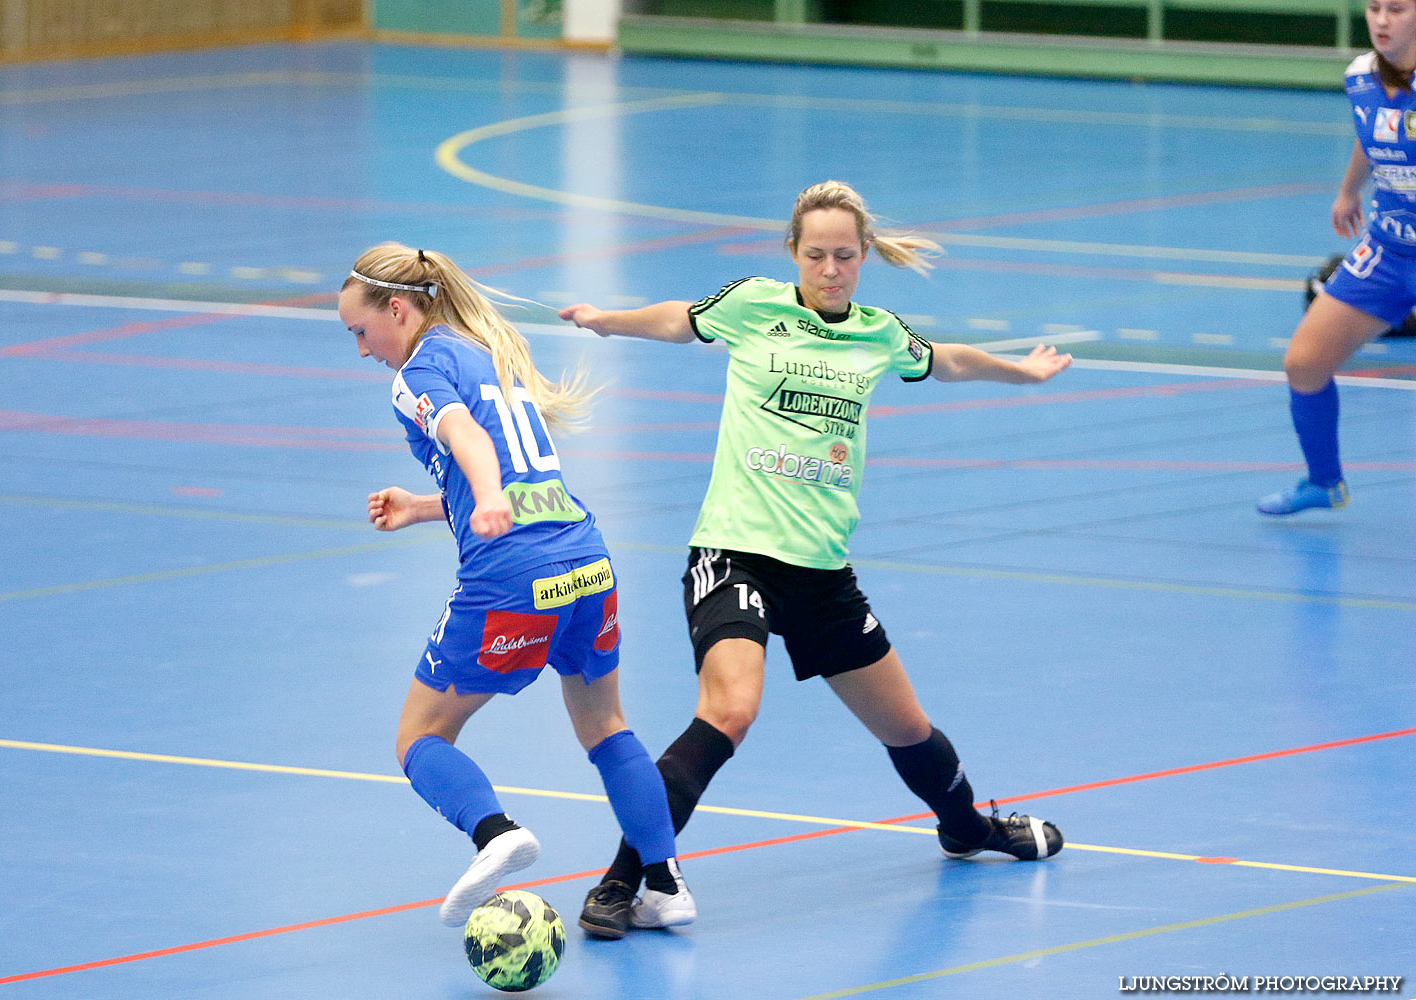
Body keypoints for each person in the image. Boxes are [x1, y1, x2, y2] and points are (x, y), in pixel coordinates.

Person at [558, 180, 1072, 940]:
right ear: (792, 253)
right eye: (815, 254)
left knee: (907, 729)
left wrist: (1020, 372)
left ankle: (965, 828)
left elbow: (948, 360)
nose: (830, 268)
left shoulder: (878, 334)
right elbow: (680, 321)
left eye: (844, 256)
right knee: (729, 709)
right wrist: (609, 322)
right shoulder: (756, 305)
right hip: (734, 552)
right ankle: (626, 877)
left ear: (864, 257)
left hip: (822, 571)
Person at [339, 242, 695, 931]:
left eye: (361, 331)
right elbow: (506, 467)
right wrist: (423, 505)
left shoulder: (418, 371)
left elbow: (467, 436)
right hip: (586, 560)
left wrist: (486, 492)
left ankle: (493, 832)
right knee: (605, 725)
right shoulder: (487, 353)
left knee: (419, 738)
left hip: (512, 578)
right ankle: (665, 882)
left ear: (399, 309)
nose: (362, 350)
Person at [1258, 0, 1416, 515]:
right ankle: (1324, 483)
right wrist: (1349, 191)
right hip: (1390, 251)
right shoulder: (1361, 76)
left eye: (1397, 8)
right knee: (1304, 365)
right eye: (1374, 7)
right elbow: (1374, 134)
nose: (1382, 19)